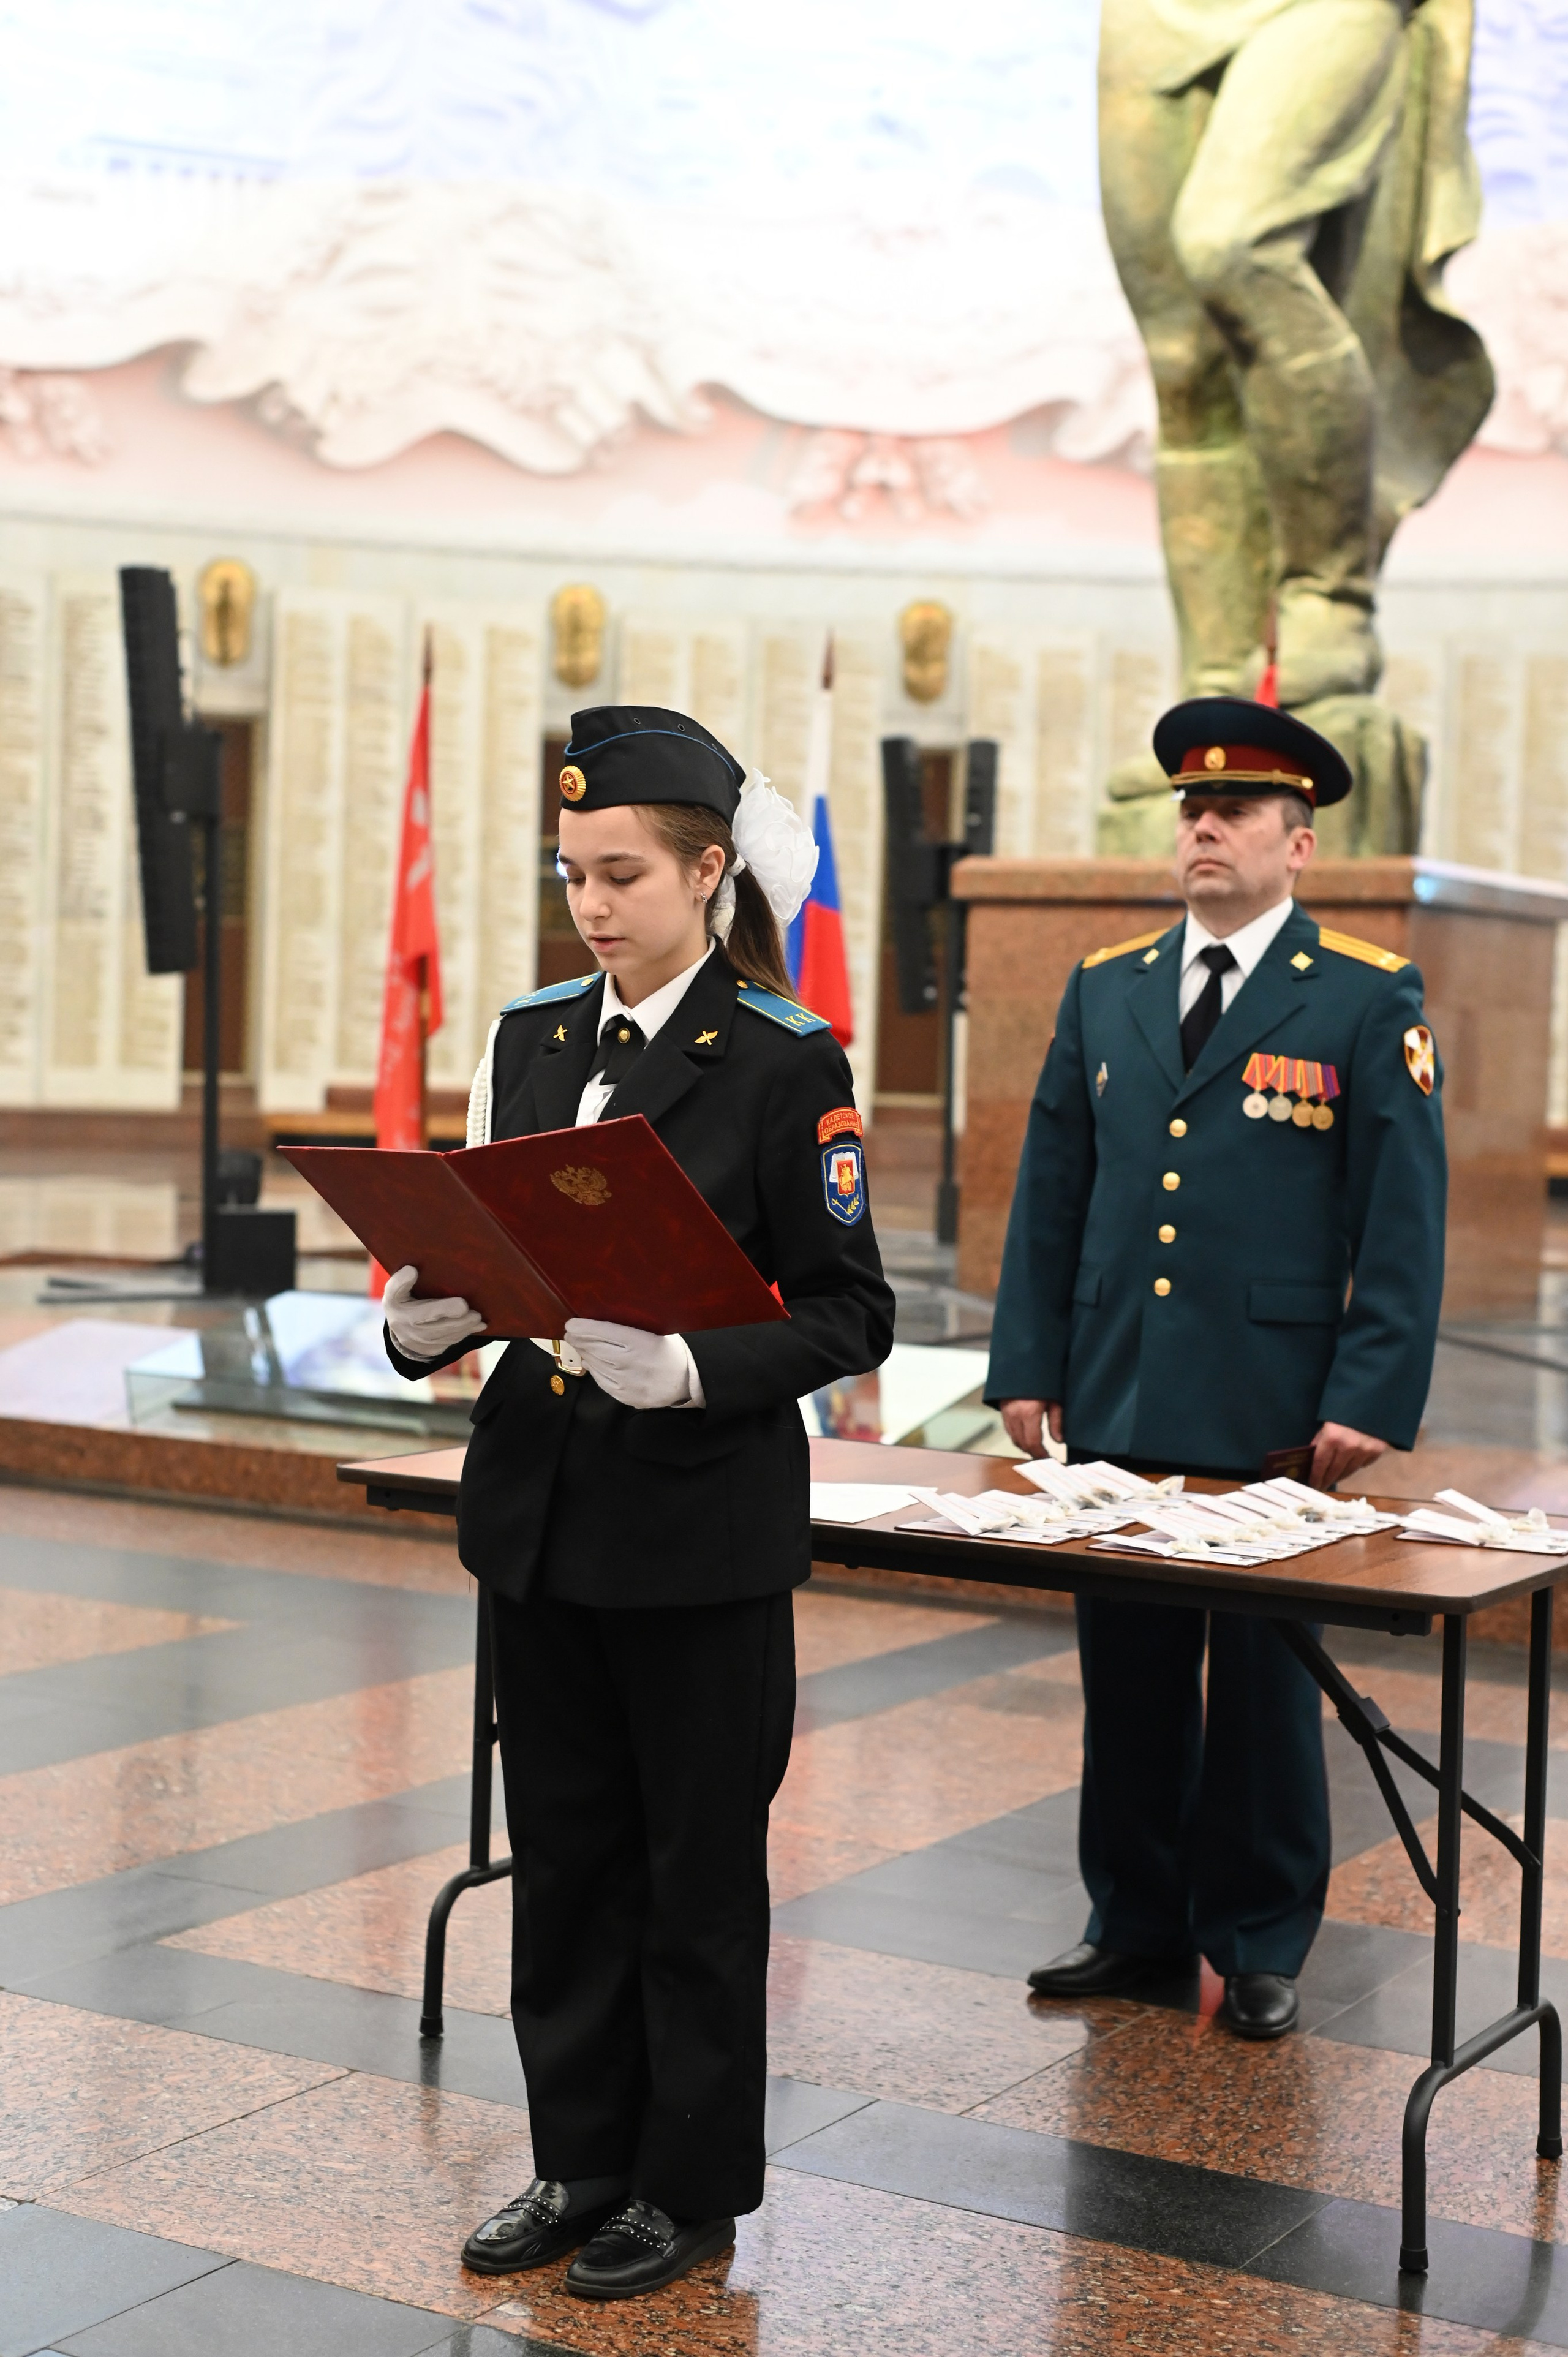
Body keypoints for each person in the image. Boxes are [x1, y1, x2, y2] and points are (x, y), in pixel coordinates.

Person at [382, 706, 894, 2297]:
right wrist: (422, 1319)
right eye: (572, 873)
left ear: (708, 871)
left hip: (696, 1530)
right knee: (567, 1861)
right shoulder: (533, 1038)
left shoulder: (783, 1058)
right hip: (541, 1517)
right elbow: (482, 1237)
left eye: (623, 874)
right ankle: (579, 2159)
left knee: (694, 1878)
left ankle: (686, 2189)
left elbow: (850, 1311)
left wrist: (692, 1368)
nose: (592, 905)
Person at [987, 695, 1446, 2040]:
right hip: (1120, 1385)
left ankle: (1254, 1936)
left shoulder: (1361, 992)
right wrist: (1028, 1363)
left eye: (1236, 811)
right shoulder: (1107, 984)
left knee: (1259, 1690)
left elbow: (1401, 1216)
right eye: (1192, 809)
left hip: (1270, 1404)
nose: (1204, 828)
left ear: (1297, 844)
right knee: (1125, 1672)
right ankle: (1132, 1919)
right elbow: (1051, 1187)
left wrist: (1368, 1392)